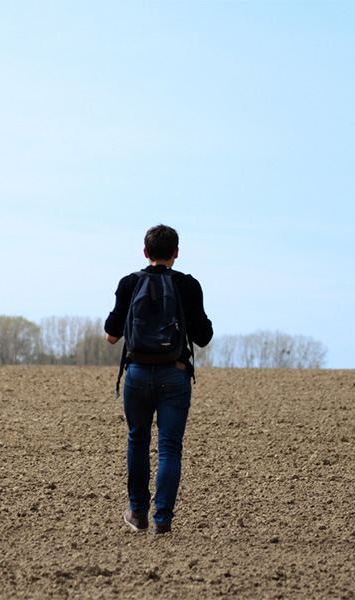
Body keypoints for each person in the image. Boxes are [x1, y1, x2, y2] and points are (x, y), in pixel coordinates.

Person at [105, 224, 213, 535]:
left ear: (145, 252)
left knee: (138, 441)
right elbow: (203, 338)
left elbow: (112, 337)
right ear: (176, 253)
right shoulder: (188, 286)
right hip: (174, 374)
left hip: (137, 375)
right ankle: (162, 521)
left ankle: (137, 512)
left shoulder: (129, 283)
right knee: (169, 448)